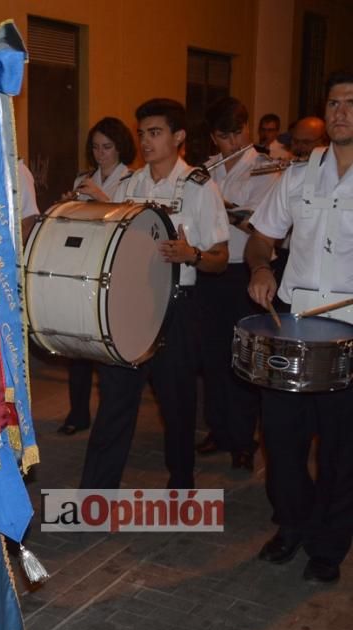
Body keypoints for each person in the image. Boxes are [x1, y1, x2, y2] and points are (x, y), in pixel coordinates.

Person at [79, 98, 229, 490]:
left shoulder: (199, 186)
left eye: (155, 132)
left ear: (178, 137)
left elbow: (220, 258)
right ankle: (95, 494)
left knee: (176, 404)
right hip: (129, 307)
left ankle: (181, 482)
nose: (145, 141)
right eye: (142, 133)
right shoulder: (130, 184)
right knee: (115, 401)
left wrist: (191, 254)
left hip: (176, 310)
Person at [245, 71, 353, 584]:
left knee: (341, 450)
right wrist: (263, 267)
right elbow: (260, 238)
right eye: (334, 102)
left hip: (350, 334)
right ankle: (292, 524)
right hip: (290, 327)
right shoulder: (297, 176)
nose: (340, 112)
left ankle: (328, 546)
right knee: (281, 441)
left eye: (351, 103)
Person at [194, 98, 280, 470]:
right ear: (214, 137)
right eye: (225, 135)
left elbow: (259, 225)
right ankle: (219, 428)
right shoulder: (205, 169)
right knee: (212, 357)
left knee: (243, 358)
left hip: (245, 270)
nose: (234, 141)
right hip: (211, 269)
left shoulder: (266, 169)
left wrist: (216, 204)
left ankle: (244, 439)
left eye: (238, 132)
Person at [58, 117, 136, 436]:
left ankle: (108, 412)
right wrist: (69, 206)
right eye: (95, 147)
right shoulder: (83, 177)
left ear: (120, 148)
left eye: (107, 147)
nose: (100, 154)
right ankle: (78, 411)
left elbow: (131, 216)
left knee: (104, 341)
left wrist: (101, 196)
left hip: (114, 264)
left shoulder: (131, 179)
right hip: (85, 260)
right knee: (77, 341)